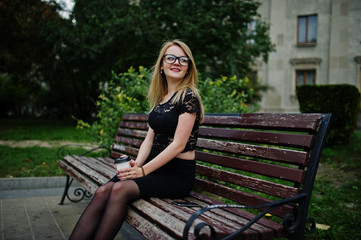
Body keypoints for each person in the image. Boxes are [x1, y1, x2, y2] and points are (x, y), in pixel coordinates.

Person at [69, 39, 204, 240]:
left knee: (119, 189)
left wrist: (142, 171)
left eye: (183, 60)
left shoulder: (189, 97)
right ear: (161, 64)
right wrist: (136, 164)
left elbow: (178, 145)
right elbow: (149, 139)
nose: (177, 62)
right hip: (154, 168)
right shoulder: (161, 98)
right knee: (103, 191)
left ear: (188, 68)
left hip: (176, 175)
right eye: (171, 58)